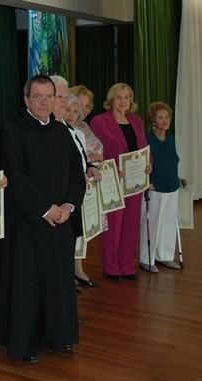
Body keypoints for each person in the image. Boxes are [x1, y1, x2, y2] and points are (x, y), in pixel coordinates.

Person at [0, 75, 86, 364]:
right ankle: (22, 342)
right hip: (25, 223)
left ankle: (57, 335)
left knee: (57, 281)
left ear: (55, 100)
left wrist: (68, 205)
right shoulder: (11, 133)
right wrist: (45, 209)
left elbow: (77, 175)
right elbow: (15, 177)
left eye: (48, 97)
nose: (43, 102)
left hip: (60, 221)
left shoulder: (62, 133)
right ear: (26, 99)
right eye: (37, 97)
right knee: (25, 284)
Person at [90, 83, 150, 280]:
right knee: (114, 225)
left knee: (132, 224)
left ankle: (127, 265)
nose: (123, 101)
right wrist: (113, 166)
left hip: (135, 182)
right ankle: (112, 267)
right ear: (111, 100)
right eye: (119, 97)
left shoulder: (137, 121)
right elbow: (94, 152)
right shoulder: (99, 121)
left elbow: (144, 147)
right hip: (112, 180)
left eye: (127, 97)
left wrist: (149, 164)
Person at [50, 76, 102, 290]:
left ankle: (68, 288)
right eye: (59, 98)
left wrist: (91, 166)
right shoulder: (50, 129)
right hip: (55, 203)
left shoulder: (73, 131)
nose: (65, 107)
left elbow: (80, 158)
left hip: (72, 197)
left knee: (71, 243)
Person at [64, 93, 104, 287]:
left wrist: (90, 167)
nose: (71, 114)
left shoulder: (78, 132)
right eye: (68, 110)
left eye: (75, 111)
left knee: (76, 237)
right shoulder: (59, 131)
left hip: (78, 190)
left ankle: (74, 274)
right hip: (65, 193)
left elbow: (83, 158)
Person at [139, 102, 183, 272]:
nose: (164, 121)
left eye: (167, 117)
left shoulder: (171, 138)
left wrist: (178, 177)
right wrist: (146, 181)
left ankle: (164, 256)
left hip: (172, 186)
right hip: (154, 187)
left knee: (168, 223)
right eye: (160, 117)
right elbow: (144, 163)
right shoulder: (147, 139)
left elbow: (172, 161)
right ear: (153, 120)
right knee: (151, 224)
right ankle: (146, 259)